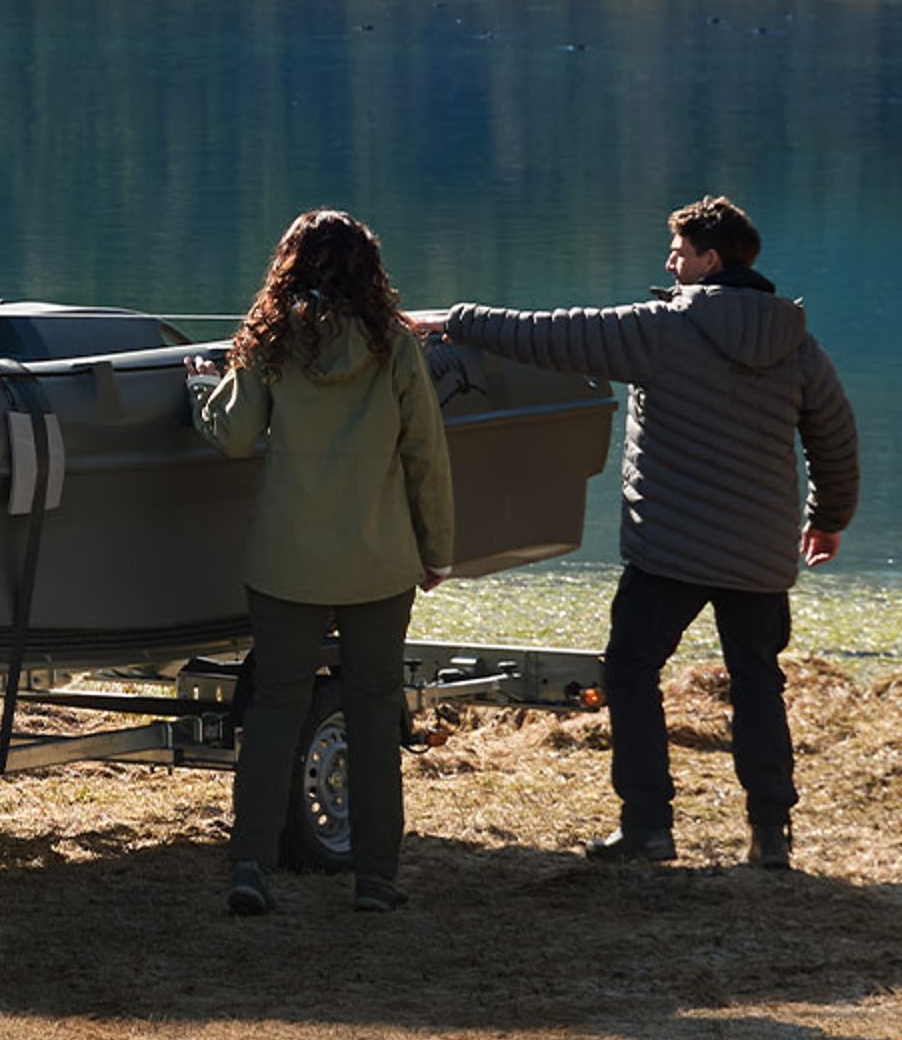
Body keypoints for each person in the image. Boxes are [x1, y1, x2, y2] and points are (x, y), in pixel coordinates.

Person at [428, 197, 858, 870]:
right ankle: (771, 836)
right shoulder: (796, 343)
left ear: (709, 261)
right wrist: (828, 518)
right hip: (757, 553)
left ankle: (649, 829)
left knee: (631, 672)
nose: (669, 262)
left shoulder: (664, 330)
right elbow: (834, 436)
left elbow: (554, 334)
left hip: (671, 551)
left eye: (679, 252)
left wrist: (458, 321)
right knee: (757, 683)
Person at [191, 209, 453, 920]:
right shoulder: (394, 346)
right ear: (369, 270)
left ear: (289, 266)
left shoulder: (269, 341)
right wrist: (436, 550)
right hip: (379, 562)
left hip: (287, 562)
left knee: (275, 708)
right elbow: (425, 454)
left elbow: (236, 436)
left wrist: (199, 392)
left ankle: (251, 866)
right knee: (373, 710)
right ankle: (374, 877)